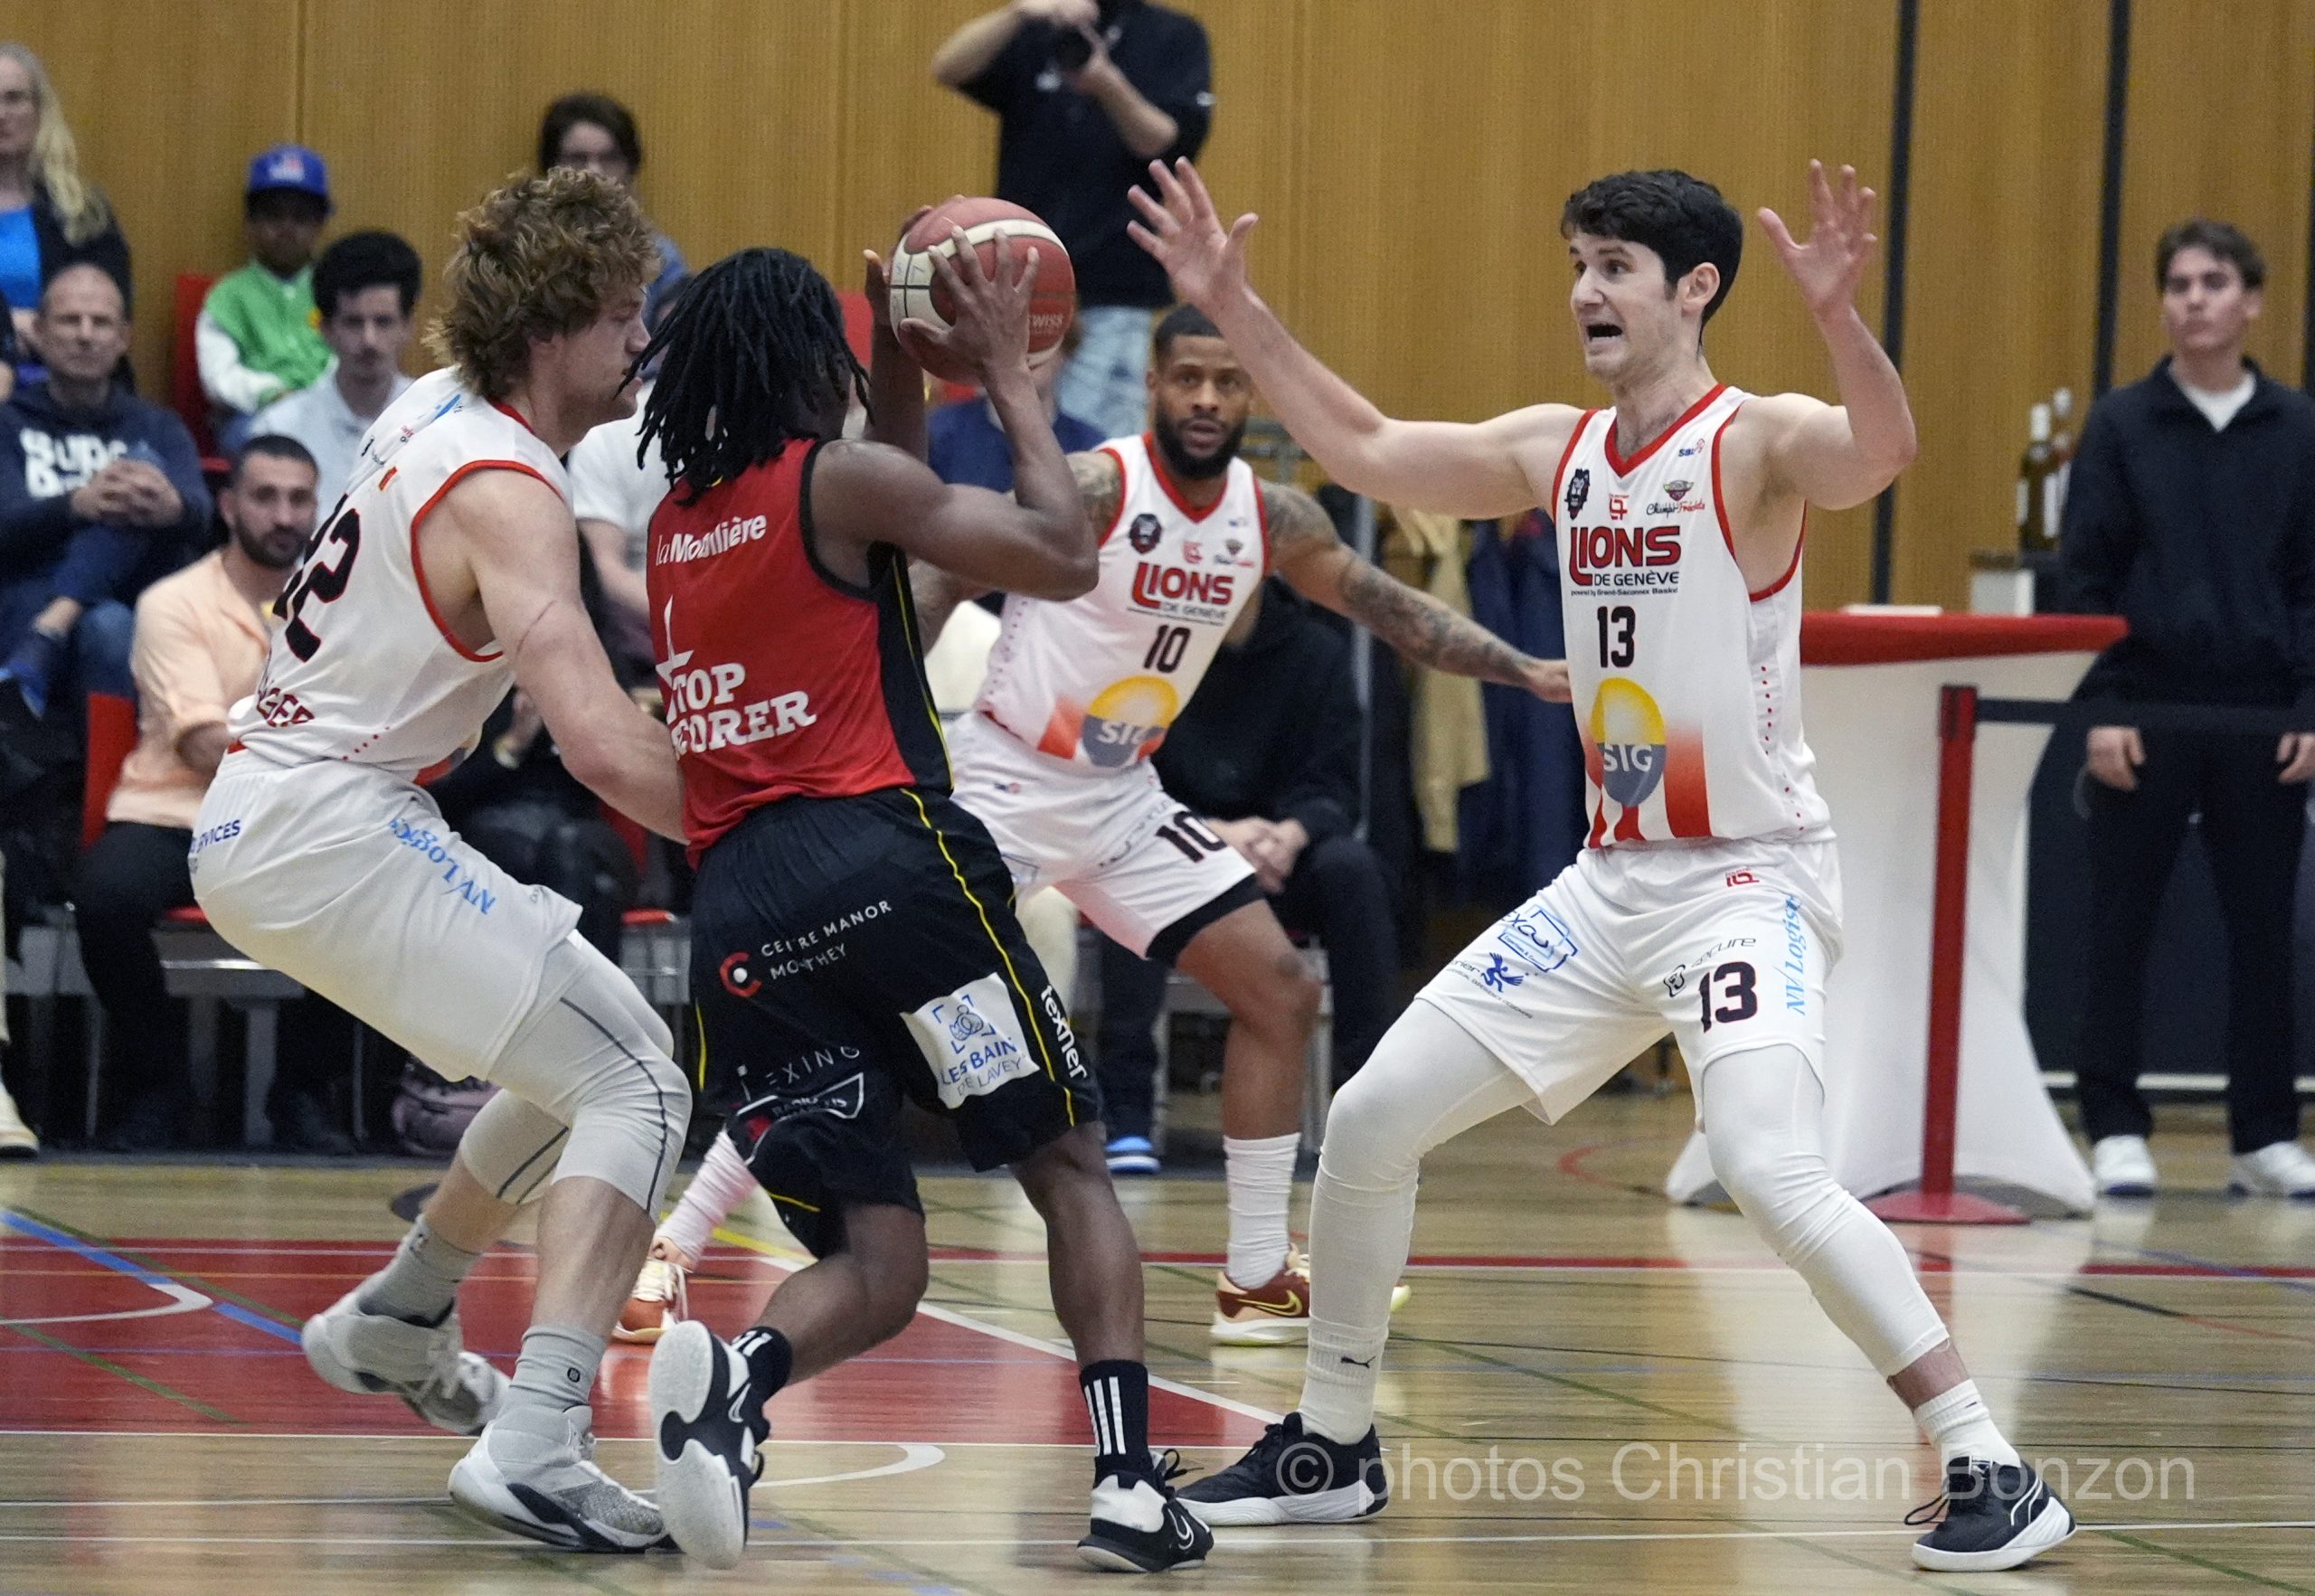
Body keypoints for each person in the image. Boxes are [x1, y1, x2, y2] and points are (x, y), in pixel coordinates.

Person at [1129, 158, 2074, 1572]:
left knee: (1767, 1165)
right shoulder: (1555, 446)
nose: (1586, 288)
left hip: (1745, 879)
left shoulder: (1751, 441)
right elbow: (1370, 446)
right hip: (1610, 885)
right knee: (1375, 1118)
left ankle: (1989, 1461)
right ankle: (1331, 1441)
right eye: (1579, 259)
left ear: (1696, 288)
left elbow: (1879, 452)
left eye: (1617, 264)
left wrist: (1838, 319)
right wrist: (1236, 307)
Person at [628, 300, 1556, 1353]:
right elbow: (932, 572)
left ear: (1247, 400)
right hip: (1004, 777)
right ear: (1152, 385)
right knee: (860, 1033)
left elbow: (1389, 607)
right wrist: (887, 730)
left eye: (1226, 382)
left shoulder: (1273, 516)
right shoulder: (1099, 483)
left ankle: (1255, 1272)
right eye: (1186, 378)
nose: (1206, 399)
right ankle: (673, 1247)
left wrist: (1519, 667)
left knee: (1279, 987)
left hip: (1123, 799)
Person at [628, 230, 1209, 1574]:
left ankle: (739, 1385)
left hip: (742, 917)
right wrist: (1008, 375)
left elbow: (879, 504)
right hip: (889, 866)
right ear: (799, 363)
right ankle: (1125, 1484)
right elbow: (1063, 553)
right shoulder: (841, 481)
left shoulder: (680, 524)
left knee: (883, 1259)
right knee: (1066, 1163)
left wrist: (900, 339)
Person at [188, 168, 691, 1552]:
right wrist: (784, 815)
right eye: (624, 318)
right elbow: (595, 740)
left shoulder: (432, 408)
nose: (641, 344)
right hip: (325, 825)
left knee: (595, 1051)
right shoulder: (512, 487)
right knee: (642, 1085)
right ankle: (535, 1439)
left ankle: (403, 1314)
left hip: (297, 811)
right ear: (557, 331)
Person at [2061, 218, 2315, 1201]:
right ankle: (2116, 1126)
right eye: (2177, 283)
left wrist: (2307, 700)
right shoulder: (2122, 423)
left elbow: (2308, 580)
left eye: (2213, 282)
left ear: (2251, 301)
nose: (2193, 299)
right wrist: (2105, 705)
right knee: (2119, 923)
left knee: (2263, 930)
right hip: (2147, 706)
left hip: (2262, 717)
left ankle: (2262, 1135)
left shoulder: (2296, 429)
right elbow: (2088, 577)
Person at [71, 436, 354, 1153]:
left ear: (318, 510)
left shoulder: (345, 609)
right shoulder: (173, 601)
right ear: (229, 507)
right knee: (105, 898)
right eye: (265, 496)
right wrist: (314, 749)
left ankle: (303, 1094)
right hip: (179, 810)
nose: (283, 514)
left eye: (298, 498)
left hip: (296, 817)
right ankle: (159, 1085)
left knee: (368, 892)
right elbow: (202, 748)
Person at [1094, 574, 1399, 1175]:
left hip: (1283, 860)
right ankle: (1127, 1115)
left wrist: (1291, 832)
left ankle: (1367, 1106)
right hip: (1180, 849)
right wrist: (1211, 832)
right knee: (1127, 875)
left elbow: (1338, 787)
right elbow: (1125, 776)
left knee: (1354, 870)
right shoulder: (1158, 656)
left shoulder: (1318, 652)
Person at [932, 0, 1212, 441]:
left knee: (1100, 455)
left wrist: (1105, 83)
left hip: (1113, 287)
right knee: (1010, 440)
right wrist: (1021, 12)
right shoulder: (1043, 29)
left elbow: (1163, 142)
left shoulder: (1173, 36)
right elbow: (947, 67)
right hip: (1023, 287)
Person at [0, 263, 210, 722]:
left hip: (133, 599)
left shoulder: (158, 424)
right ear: (36, 331)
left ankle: (54, 626)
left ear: (124, 337)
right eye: (69, 320)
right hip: (22, 598)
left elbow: (202, 513)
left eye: (101, 322)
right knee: (109, 623)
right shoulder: (8, 423)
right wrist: (77, 504)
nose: (85, 335)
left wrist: (171, 508)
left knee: (113, 624)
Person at [250, 230, 420, 500]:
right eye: (354, 322)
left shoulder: (434, 423)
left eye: (383, 322)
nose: (369, 340)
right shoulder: (279, 427)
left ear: (408, 326)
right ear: (326, 329)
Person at [0, 42, 132, 364]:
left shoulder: (82, 210)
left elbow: (110, 319)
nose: (1, 114)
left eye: (14, 99)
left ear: (39, 111)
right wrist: (10, 325)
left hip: (63, 384)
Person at [198, 146, 335, 452]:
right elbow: (220, 378)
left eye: (301, 217)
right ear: (250, 222)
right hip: (256, 415)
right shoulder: (227, 297)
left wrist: (319, 400)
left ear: (321, 224)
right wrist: (273, 393)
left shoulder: (336, 288)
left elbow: (348, 358)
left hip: (333, 410)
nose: (287, 229)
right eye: (273, 215)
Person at [538, 92, 687, 328]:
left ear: (630, 168)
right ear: (551, 167)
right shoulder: (525, 253)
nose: (594, 172)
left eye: (609, 158)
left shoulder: (660, 257)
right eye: (578, 159)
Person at [925, 318, 1102, 492]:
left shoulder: (1092, 447)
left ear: (1065, 350)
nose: (1029, 354)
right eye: (1014, 341)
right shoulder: (939, 434)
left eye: (1041, 341)